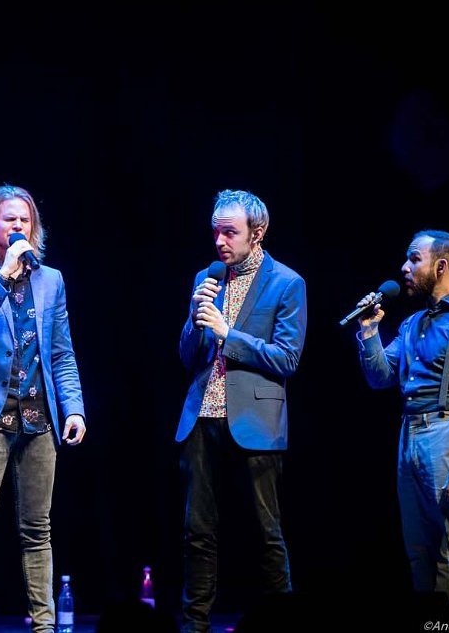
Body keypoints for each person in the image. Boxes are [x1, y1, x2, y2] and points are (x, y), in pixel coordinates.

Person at [0, 184, 87, 633]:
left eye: (25, 219)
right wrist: (3, 277)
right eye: (10, 219)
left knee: (38, 530)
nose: (19, 226)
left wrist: (74, 408)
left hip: (39, 417)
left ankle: (45, 625)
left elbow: (61, 352)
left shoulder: (51, 280)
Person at [355, 230, 449, 625]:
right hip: (409, 435)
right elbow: (380, 377)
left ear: (440, 266)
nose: (404, 268)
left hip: (446, 438)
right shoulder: (413, 324)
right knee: (422, 548)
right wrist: (369, 331)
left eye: (414, 259)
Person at [176, 189, 306, 633]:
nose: (220, 241)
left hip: (254, 423)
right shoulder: (207, 278)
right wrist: (196, 318)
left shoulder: (287, 283)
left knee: (265, 532)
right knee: (198, 531)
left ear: (258, 231)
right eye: (216, 232)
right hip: (202, 418)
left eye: (230, 232)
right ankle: (194, 625)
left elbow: (288, 357)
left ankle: (281, 624)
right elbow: (187, 356)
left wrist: (228, 334)